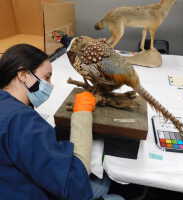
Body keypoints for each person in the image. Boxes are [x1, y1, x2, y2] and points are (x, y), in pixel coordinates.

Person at [0, 44, 125, 200]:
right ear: (23, 75)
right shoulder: (21, 121)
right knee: (108, 186)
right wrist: (82, 114)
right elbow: (74, 185)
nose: (50, 84)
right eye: (47, 77)